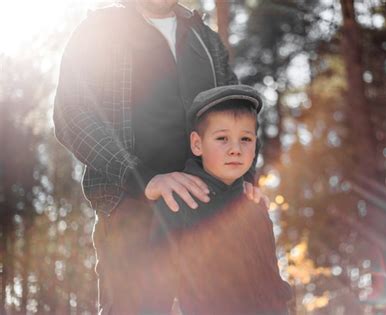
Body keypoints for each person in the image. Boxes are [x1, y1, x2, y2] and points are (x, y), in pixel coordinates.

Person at [53, 1, 265, 313]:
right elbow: (72, 116)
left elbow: (235, 114)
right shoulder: (99, 31)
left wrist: (245, 179)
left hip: (210, 214)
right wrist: (142, 178)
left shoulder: (204, 37)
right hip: (132, 215)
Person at [150, 85, 293, 314]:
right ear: (197, 144)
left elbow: (272, 280)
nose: (235, 149)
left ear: (255, 145)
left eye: (245, 139)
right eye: (222, 138)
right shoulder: (180, 202)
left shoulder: (255, 206)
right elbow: (157, 287)